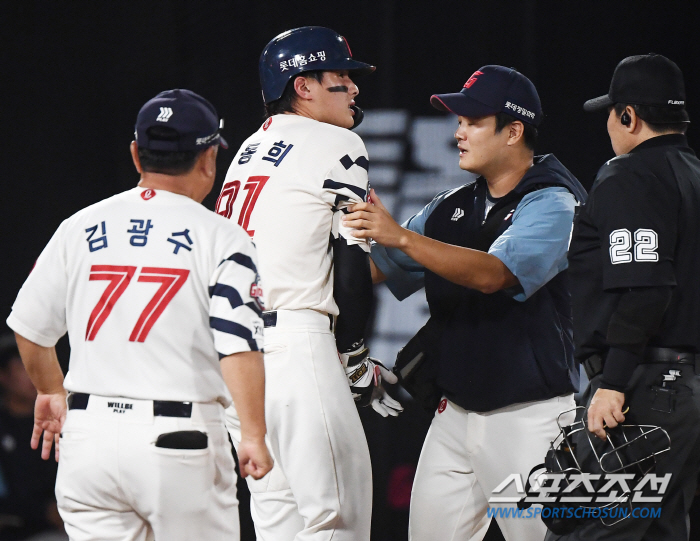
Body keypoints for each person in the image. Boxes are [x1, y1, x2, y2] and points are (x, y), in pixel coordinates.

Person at [6, 89, 273, 541]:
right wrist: (252, 433)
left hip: (87, 439)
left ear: (136, 154)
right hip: (177, 441)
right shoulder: (221, 236)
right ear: (209, 157)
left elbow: (29, 328)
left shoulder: (80, 226)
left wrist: (51, 389)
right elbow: (237, 344)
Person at [344, 65, 587, 541]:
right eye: (458, 120)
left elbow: (495, 275)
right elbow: (377, 267)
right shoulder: (451, 205)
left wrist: (402, 238)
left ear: (513, 131)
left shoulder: (554, 199)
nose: (457, 132)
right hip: (454, 416)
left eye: (473, 121)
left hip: (529, 420)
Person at [218, 26, 401, 541]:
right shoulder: (335, 139)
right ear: (303, 85)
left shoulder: (247, 150)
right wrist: (356, 357)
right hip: (297, 345)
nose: (354, 87)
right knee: (335, 519)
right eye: (341, 76)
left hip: (238, 357)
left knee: (278, 520)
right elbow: (349, 262)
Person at [555, 54, 700, 540]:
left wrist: (613, 382)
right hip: (685, 389)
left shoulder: (631, 175)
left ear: (629, 115)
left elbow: (645, 288)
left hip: (641, 387)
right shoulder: (693, 173)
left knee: (583, 530)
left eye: (612, 115)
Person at [0, 334, 66, 541]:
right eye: (22, 367)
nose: (33, 375)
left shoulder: (61, 421)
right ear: (3, 376)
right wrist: (43, 511)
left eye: (37, 365)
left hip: (63, 527)